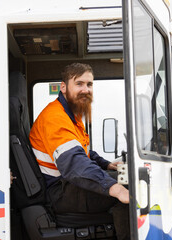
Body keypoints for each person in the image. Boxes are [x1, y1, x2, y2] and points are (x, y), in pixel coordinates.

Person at [29, 63, 130, 239]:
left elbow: (84, 151)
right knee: (131, 186)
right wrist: (114, 188)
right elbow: (74, 164)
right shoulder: (55, 118)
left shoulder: (71, 116)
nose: (86, 89)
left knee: (126, 178)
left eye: (89, 84)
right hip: (61, 192)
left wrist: (107, 165)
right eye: (79, 84)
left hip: (69, 184)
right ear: (63, 87)